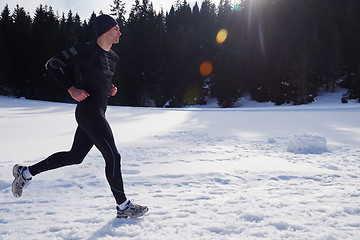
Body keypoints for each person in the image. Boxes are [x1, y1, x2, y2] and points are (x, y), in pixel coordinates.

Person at [11, 14, 148, 218]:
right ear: (105, 31)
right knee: (113, 155)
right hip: (88, 111)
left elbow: (98, 79)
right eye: (117, 28)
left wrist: (109, 89)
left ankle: (26, 173)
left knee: (75, 156)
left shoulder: (113, 58)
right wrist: (71, 88)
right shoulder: (84, 49)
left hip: (98, 111)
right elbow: (52, 64)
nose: (120, 32)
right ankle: (123, 206)